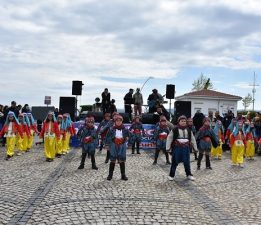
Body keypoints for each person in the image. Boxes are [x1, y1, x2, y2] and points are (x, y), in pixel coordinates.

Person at [166, 115, 197, 181]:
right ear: (179, 121)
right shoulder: (175, 129)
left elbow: (192, 139)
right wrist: (168, 147)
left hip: (186, 149)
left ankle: (189, 174)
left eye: (184, 121)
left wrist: (195, 148)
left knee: (187, 162)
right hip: (177, 148)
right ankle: (171, 175)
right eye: (182, 121)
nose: (183, 122)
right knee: (174, 162)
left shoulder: (188, 130)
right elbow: (169, 138)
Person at [106, 114, 130, 181]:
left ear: (122, 121)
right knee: (113, 160)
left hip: (122, 145)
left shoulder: (125, 129)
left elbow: (130, 135)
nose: (118, 122)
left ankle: (123, 175)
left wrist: (128, 140)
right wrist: (107, 145)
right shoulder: (111, 129)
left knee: (121, 159)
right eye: (117, 121)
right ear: (115, 121)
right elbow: (107, 137)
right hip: (114, 145)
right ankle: (110, 175)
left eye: (120, 121)